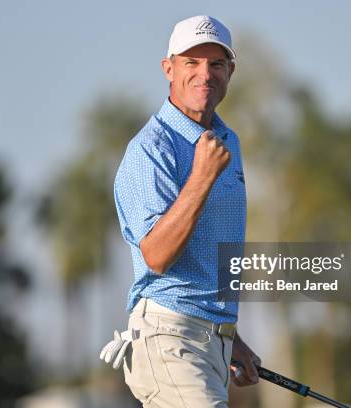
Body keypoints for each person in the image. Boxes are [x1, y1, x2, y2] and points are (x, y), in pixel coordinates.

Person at [112, 15, 260, 407]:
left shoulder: (228, 141)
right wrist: (200, 178)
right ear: (168, 69)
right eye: (191, 62)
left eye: (215, 64)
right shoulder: (150, 149)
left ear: (231, 71)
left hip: (210, 342)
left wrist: (229, 335)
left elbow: (211, 253)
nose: (204, 74)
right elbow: (156, 256)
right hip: (167, 337)